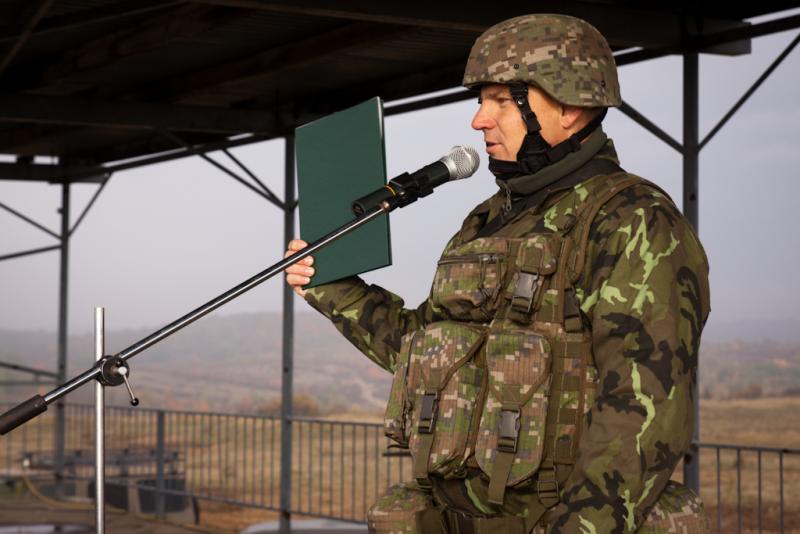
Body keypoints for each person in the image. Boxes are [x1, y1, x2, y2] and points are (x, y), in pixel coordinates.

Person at [285, 13, 710, 534]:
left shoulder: (633, 220)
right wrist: (332, 287)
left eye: (502, 101)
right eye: (481, 101)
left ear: (571, 107)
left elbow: (642, 409)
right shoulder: (486, 221)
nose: (479, 120)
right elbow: (423, 352)